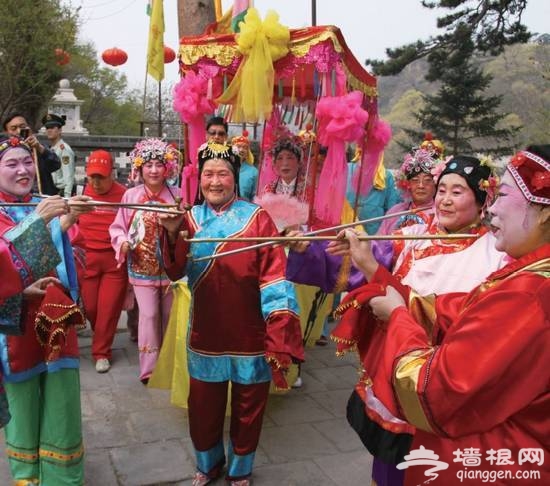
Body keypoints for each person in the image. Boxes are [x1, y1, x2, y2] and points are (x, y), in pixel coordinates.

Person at [287, 155, 508, 486]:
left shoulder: (495, 256)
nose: (444, 199)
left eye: (458, 192)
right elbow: (360, 268)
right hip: (393, 369)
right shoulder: (413, 235)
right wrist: (307, 249)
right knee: (389, 466)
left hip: (444, 383)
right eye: (442, 189)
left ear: (482, 200)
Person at [346, 145, 550, 485]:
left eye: (502, 196)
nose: (495, 208)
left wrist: (397, 315)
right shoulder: (413, 231)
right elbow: (451, 310)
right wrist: (372, 271)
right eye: (442, 189)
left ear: (544, 210)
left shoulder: (528, 292)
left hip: (489, 457)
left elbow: (436, 388)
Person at [158, 140, 304, 486]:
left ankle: (240, 470)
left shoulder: (257, 219)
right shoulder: (188, 218)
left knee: (249, 409)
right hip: (205, 333)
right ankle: (208, 465)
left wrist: (279, 325)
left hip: (250, 335)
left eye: (223, 173)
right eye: (208, 174)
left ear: (235, 178)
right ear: (200, 179)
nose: (215, 181)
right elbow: (174, 270)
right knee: (203, 410)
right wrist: (170, 233)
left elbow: (274, 277)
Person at [0, 135, 92, 485]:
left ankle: (63, 480)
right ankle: (27, 479)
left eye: (27, 162)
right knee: (22, 413)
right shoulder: (36, 210)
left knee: (62, 410)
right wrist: (21, 290)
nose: (23, 170)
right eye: (11, 163)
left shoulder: (44, 204)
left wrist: (65, 226)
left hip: (57, 323)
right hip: (15, 331)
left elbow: (74, 257)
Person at [110, 138, 180, 384]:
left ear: (167, 168)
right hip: (141, 267)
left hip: (171, 269)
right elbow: (117, 227)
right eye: (148, 165)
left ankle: (170, 363)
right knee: (149, 315)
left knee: (169, 314)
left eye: (159, 165)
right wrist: (122, 242)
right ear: (139, 168)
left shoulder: (177, 195)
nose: (153, 170)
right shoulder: (131, 195)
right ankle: (149, 368)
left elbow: (186, 230)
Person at [78, 150, 128, 373]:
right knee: (90, 308)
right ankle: (101, 335)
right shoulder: (81, 193)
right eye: (92, 177)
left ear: (112, 175)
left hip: (113, 262)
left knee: (108, 309)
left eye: (101, 177)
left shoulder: (125, 195)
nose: (96, 183)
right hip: (87, 260)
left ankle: (101, 352)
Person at [376, 148, 438, 235]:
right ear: (407, 185)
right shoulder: (395, 211)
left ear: (435, 184)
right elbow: (379, 243)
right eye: (415, 180)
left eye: (427, 180)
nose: (421, 185)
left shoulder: (441, 213)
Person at [346, 146, 402, 234]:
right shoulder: (346, 169)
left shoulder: (385, 175)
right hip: (345, 229)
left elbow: (391, 210)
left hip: (374, 233)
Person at [2, 112, 61, 195]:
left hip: (41, 196)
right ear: (7, 132)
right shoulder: (3, 151)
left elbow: (56, 164)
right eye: (13, 128)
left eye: (22, 127)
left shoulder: (38, 147)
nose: (19, 131)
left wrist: (39, 148)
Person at [43, 113, 75, 197]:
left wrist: (67, 198)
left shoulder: (64, 149)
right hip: (51, 191)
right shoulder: (50, 149)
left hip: (61, 192)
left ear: (60, 130)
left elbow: (68, 176)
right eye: (47, 128)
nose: (49, 130)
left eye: (52, 128)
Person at [231, 130, 258, 201]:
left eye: (245, 147)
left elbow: (255, 197)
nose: (241, 150)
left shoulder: (253, 172)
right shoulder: (224, 167)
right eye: (238, 146)